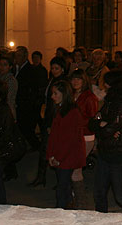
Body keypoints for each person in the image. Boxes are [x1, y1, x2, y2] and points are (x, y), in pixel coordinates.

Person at [89, 70, 122, 217]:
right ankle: (102, 220)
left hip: (119, 155)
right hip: (105, 152)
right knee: (99, 193)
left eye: (105, 82)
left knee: (121, 196)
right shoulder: (109, 101)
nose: (103, 85)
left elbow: (108, 130)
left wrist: (104, 126)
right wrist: (102, 124)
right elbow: (93, 123)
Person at [46, 80, 85, 208]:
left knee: (62, 189)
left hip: (67, 157)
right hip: (61, 156)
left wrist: (57, 158)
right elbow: (54, 136)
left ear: (64, 94)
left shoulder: (72, 112)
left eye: (55, 93)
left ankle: (62, 212)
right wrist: (51, 155)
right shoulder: (61, 109)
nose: (52, 97)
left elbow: (68, 140)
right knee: (64, 187)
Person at [30, 56, 67, 187]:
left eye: (57, 68)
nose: (54, 70)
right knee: (45, 149)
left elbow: (59, 105)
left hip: (54, 119)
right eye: (52, 68)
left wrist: (52, 123)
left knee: (53, 150)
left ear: (62, 69)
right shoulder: (52, 80)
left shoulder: (62, 83)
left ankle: (60, 180)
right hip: (48, 116)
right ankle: (41, 176)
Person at [69, 69, 99, 208]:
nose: (75, 82)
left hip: (85, 136)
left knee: (76, 169)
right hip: (74, 135)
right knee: (73, 168)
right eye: (73, 79)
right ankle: (76, 198)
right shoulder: (72, 95)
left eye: (78, 79)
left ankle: (80, 202)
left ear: (84, 81)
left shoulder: (89, 97)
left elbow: (92, 119)